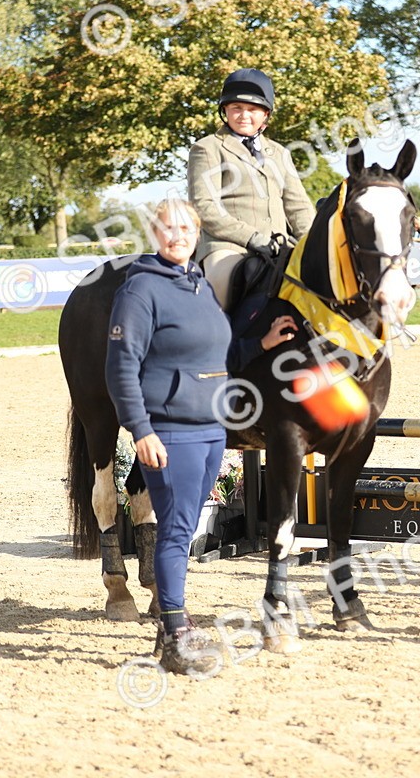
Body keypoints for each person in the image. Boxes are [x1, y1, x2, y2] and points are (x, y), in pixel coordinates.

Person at [105, 198, 297, 676]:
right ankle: (175, 635)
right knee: (174, 531)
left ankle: (169, 624)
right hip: (171, 430)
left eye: (186, 227)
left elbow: (223, 353)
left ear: (197, 232)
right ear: (153, 233)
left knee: (184, 530)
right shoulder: (140, 290)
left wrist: (262, 344)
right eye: (169, 227)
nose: (179, 235)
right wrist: (141, 430)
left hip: (212, 430)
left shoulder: (198, 285)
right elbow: (121, 367)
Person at [188, 68, 316, 306]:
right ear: (225, 110)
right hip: (227, 248)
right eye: (236, 108)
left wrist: (313, 242)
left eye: (252, 109)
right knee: (222, 287)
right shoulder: (207, 148)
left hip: (281, 248)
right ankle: (219, 340)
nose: (243, 115)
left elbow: (299, 208)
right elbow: (204, 207)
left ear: (265, 114)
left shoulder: (279, 153)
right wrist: (252, 238)